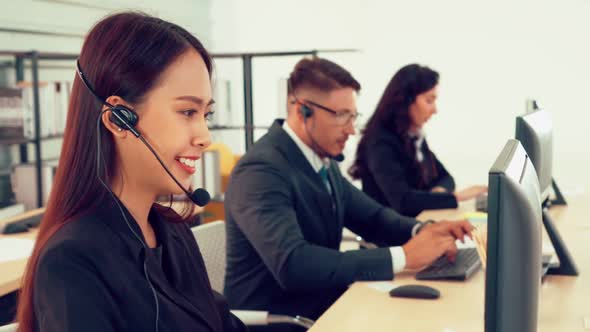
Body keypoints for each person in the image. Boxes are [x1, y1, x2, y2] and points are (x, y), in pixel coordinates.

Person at [16, 12, 245, 332]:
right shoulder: (72, 261)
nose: (205, 136)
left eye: (206, 114)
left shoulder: (171, 230)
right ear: (118, 119)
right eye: (188, 112)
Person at [223, 57, 472, 328]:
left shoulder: (321, 160)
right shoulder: (261, 170)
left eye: (352, 116)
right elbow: (293, 264)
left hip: (324, 306)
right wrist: (404, 256)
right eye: (341, 115)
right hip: (283, 321)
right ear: (302, 111)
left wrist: (423, 230)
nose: (351, 129)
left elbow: (373, 217)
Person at [349, 64, 487, 217]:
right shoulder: (380, 142)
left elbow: (445, 178)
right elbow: (403, 202)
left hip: (413, 224)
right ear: (405, 101)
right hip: (389, 238)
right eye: (429, 101)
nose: (435, 110)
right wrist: (457, 197)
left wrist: (438, 194)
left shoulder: (413, 136)